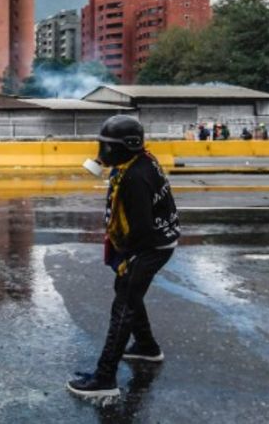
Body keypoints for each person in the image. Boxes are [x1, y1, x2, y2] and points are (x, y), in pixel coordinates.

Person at [68, 115, 180, 399]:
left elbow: (141, 228)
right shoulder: (139, 161)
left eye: (107, 147)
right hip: (156, 241)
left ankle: (105, 377)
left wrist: (128, 259)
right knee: (127, 291)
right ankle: (146, 346)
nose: (102, 152)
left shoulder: (134, 177)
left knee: (123, 305)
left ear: (126, 146)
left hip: (149, 247)